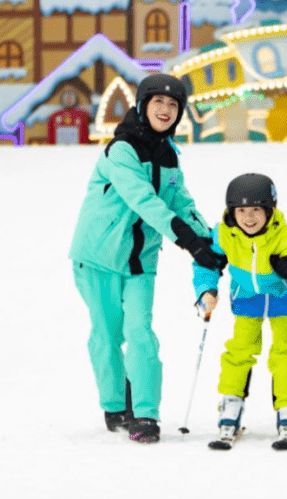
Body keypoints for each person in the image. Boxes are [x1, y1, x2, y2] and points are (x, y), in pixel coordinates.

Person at [69, 73, 226, 444]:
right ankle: (113, 403)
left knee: (139, 331)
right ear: (143, 106)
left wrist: (211, 240)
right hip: (97, 257)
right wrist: (187, 240)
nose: (166, 110)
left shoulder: (169, 155)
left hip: (140, 262)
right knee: (106, 334)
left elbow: (180, 204)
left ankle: (145, 413)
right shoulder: (120, 150)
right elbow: (143, 200)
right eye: (159, 103)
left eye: (173, 105)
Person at [193, 173, 287, 446]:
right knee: (239, 349)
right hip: (247, 296)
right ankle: (231, 405)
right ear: (232, 211)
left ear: (269, 209)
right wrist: (206, 289)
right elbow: (205, 260)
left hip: (281, 296)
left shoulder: (285, 235)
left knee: (285, 352)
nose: (248, 218)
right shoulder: (225, 233)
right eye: (241, 211)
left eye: (256, 210)